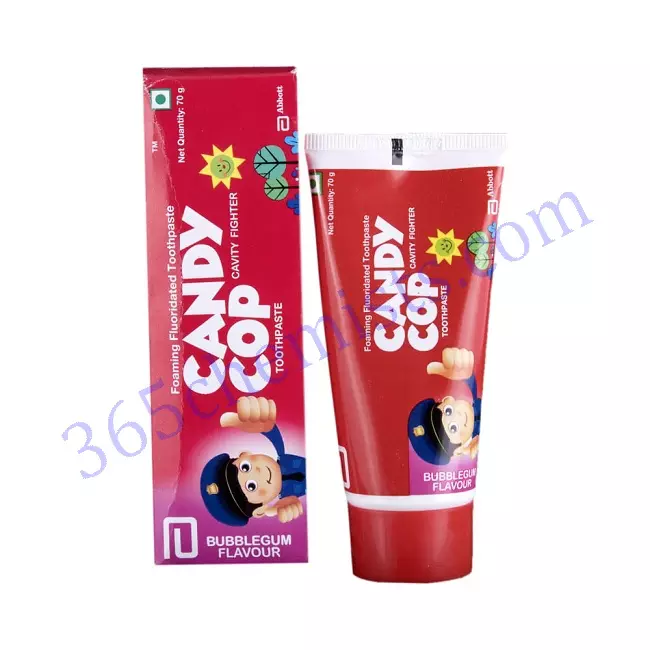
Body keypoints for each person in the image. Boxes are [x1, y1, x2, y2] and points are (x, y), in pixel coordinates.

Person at [201, 396, 305, 526]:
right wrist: (286, 507)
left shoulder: (287, 444)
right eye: (251, 487)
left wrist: (261, 425)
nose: (257, 472)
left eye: (245, 467)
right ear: (259, 511)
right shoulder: (289, 497)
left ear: (245, 455)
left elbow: (271, 430)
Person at [408, 347, 481, 465]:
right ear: (458, 451)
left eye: (448, 411)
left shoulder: (475, 398)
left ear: (448, 399)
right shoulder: (476, 443)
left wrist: (465, 375)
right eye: (453, 428)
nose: (457, 416)